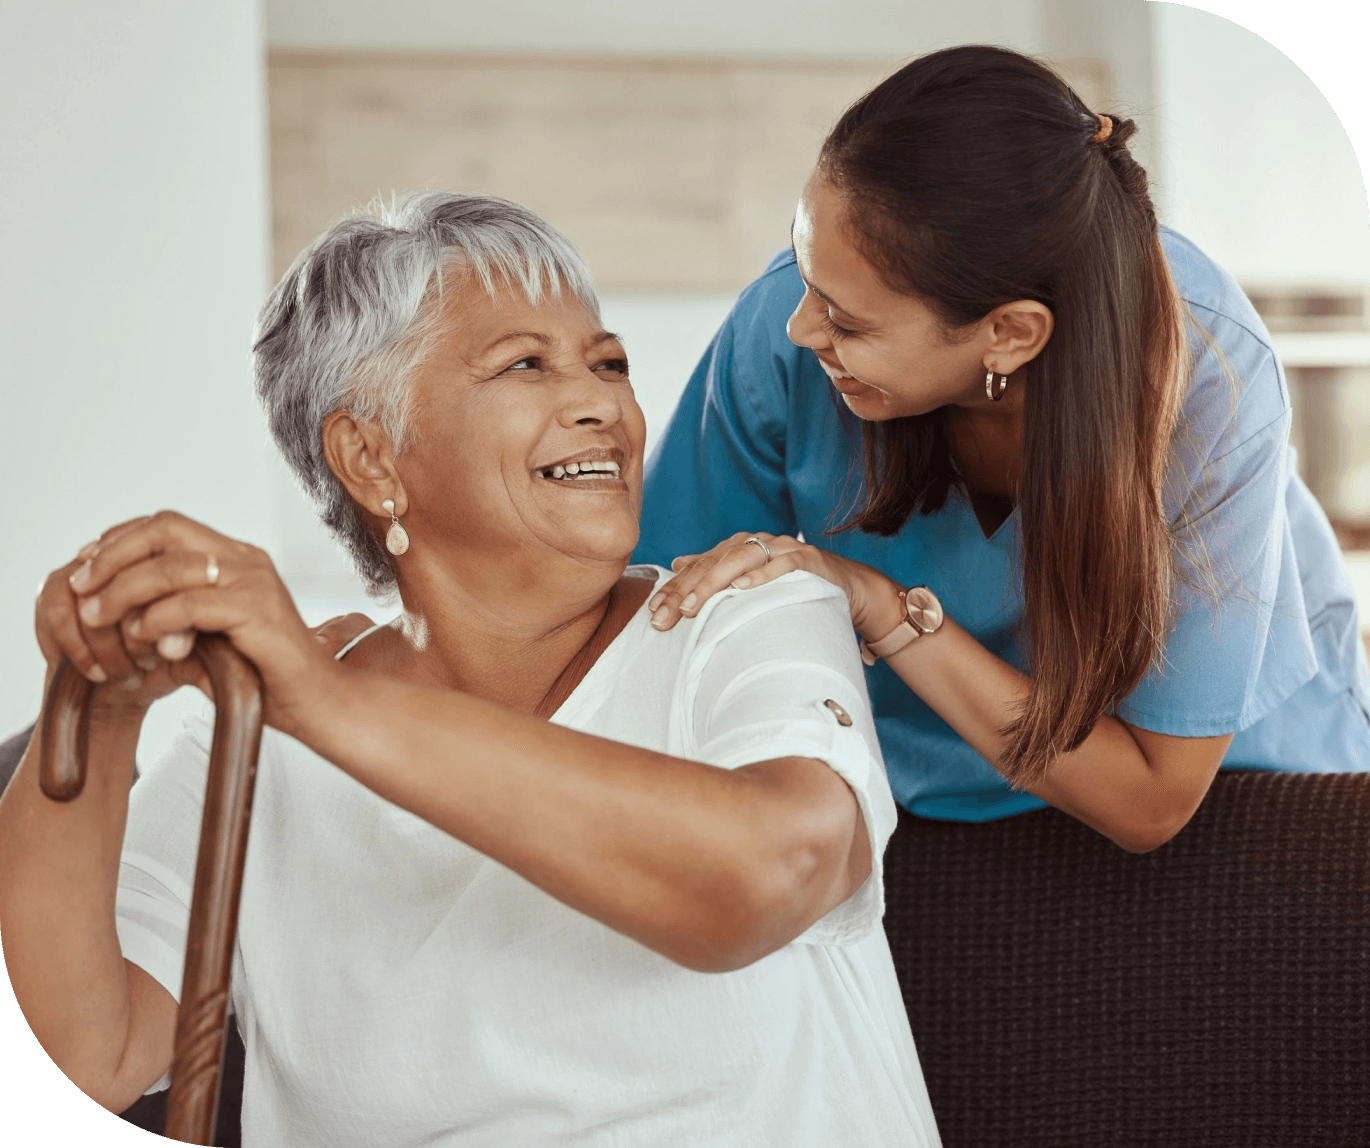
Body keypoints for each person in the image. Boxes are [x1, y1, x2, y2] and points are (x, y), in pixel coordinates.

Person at [0, 194, 939, 1146]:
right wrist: (94, 710)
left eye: (607, 362)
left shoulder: (745, 610)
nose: (601, 403)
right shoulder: (251, 739)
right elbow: (85, 1052)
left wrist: (326, 704)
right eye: (526, 364)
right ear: (369, 456)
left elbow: (771, 876)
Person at [637, 45, 1370, 853]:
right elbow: (669, 629)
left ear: (1009, 335)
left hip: (1230, 798)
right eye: (808, 281)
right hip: (913, 795)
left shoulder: (1213, 374)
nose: (800, 327)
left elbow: (1150, 800)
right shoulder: (788, 331)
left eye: (847, 322)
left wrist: (881, 608)